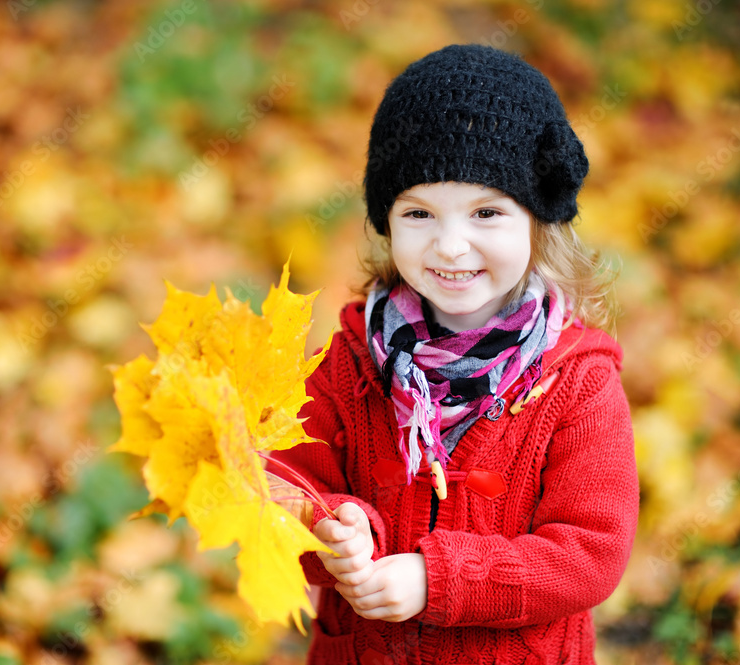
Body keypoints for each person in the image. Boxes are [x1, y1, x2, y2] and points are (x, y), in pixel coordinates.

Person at [267, 44, 638, 664]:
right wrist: (335, 528)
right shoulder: (349, 362)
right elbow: (289, 488)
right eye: (419, 212)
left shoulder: (579, 383)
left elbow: (590, 552)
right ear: (386, 221)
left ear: (538, 221)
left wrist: (437, 579)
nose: (450, 245)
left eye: (486, 211)